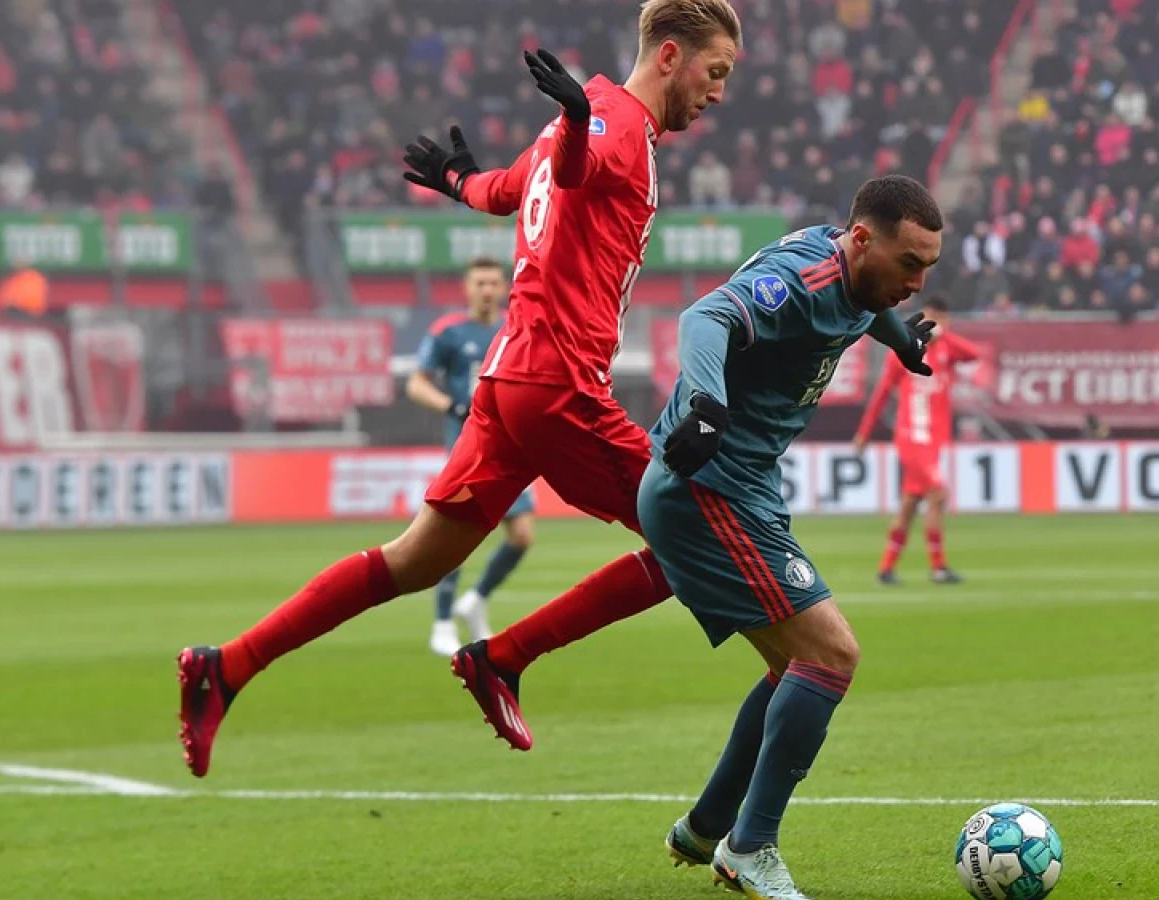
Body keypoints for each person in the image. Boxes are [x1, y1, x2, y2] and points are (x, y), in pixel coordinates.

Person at [176, 0, 743, 776]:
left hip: (509, 379)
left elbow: (511, 189)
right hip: (557, 385)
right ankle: (503, 658)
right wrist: (578, 122)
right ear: (672, 56)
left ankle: (227, 665)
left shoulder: (580, 125)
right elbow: (584, 166)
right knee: (697, 538)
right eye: (716, 73)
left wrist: (455, 179)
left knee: (411, 563)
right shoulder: (613, 127)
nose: (719, 93)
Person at [646, 175, 944, 900]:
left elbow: (861, 311)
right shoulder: (800, 280)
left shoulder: (856, 279)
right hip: (708, 485)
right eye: (910, 264)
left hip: (740, 490)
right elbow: (706, 316)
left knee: (796, 669)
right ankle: (751, 847)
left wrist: (901, 341)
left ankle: (707, 825)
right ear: (863, 238)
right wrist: (709, 400)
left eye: (928, 268)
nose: (916, 280)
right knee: (832, 652)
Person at [407, 258, 535, 656]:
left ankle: (476, 599)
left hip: (511, 448)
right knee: (456, 533)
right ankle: (443, 621)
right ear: (467, 287)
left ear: (504, 288)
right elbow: (416, 383)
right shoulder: (448, 331)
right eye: (479, 283)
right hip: (469, 448)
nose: (486, 290)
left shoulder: (516, 327)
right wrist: (451, 407)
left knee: (521, 536)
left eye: (493, 283)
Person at [852, 296, 982, 585]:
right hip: (912, 437)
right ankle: (938, 567)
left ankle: (886, 568)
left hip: (934, 441)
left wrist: (945, 336)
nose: (940, 325)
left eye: (944, 320)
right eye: (936, 319)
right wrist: (864, 432)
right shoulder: (905, 351)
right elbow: (882, 394)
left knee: (910, 503)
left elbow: (974, 353)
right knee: (939, 494)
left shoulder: (948, 349)